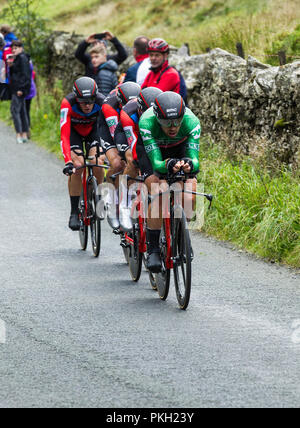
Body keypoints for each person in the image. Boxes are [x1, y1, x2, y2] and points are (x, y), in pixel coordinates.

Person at [139, 91, 201, 273]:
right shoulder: (146, 122)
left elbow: (195, 160)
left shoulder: (191, 122)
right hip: (154, 150)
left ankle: (181, 236)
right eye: (166, 122)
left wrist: (189, 164)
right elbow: (158, 164)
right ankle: (153, 249)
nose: (172, 127)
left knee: (190, 189)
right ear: (158, 117)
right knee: (160, 190)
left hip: (179, 147)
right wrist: (168, 164)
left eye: (177, 121)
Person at [113, 86, 163, 231]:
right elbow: (135, 148)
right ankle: (124, 203)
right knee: (133, 161)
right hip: (129, 132)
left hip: (149, 134)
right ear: (140, 110)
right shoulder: (128, 112)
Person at [60, 76, 106, 231]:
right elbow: (64, 135)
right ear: (76, 98)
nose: (87, 105)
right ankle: (74, 211)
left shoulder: (102, 102)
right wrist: (68, 161)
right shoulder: (68, 103)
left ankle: (98, 199)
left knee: (98, 162)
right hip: (74, 134)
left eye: (90, 100)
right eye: (83, 101)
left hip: (94, 132)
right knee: (78, 166)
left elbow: (108, 132)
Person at [100, 81, 141, 231]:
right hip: (111, 129)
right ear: (120, 102)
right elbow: (117, 135)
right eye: (126, 103)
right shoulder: (109, 107)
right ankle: (111, 198)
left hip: (129, 126)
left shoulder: (137, 106)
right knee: (118, 163)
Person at [75, 31, 128, 96]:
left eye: (101, 43)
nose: (94, 60)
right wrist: (86, 42)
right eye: (95, 43)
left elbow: (123, 55)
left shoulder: (109, 60)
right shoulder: (90, 58)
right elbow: (78, 54)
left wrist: (113, 39)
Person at [8, 40, 31, 144]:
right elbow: (16, 74)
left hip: (19, 89)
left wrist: (21, 89)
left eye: (16, 48)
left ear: (21, 48)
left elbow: (26, 75)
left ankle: (19, 134)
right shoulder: (19, 58)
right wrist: (11, 66)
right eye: (12, 48)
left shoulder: (22, 58)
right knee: (22, 111)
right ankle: (24, 134)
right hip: (17, 88)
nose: (14, 50)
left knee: (15, 110)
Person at [25, 57, 37, 137]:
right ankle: (27, 128)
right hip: (31, 89)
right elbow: (33, 75)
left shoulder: (24, 65)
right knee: (27, 110)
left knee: (24, 110)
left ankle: (25, 130)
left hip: (26, 90)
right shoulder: (30, 64)